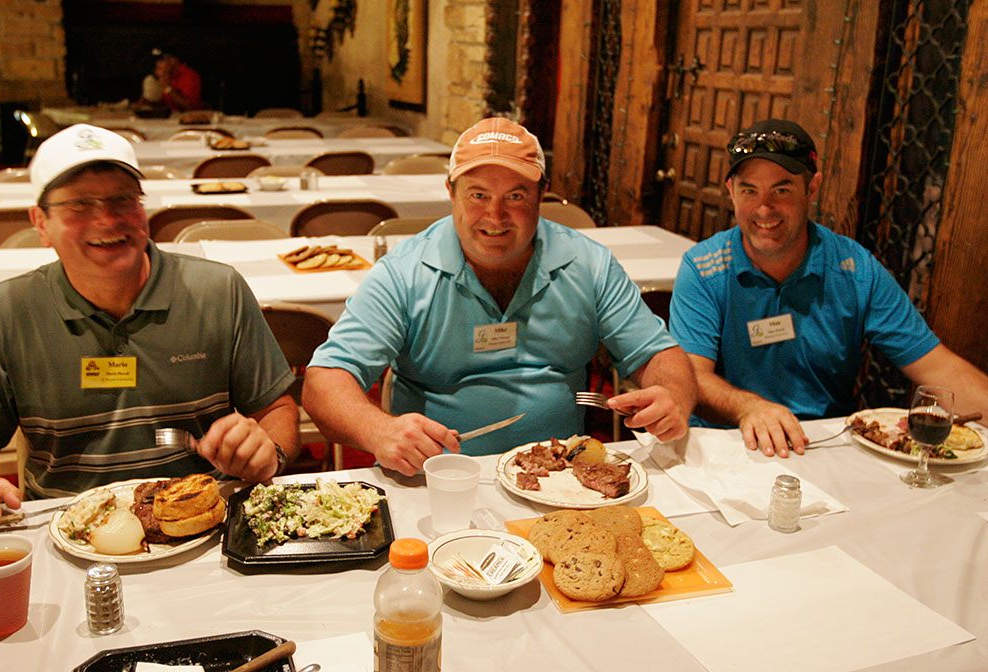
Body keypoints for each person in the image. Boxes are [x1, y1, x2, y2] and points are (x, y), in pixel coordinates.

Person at [0, 124, 298, 541]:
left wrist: (268, 451)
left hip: (205, 524)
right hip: (65, 530)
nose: (106, 220)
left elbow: (276, 411)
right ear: (40, 223)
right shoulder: (9, 311)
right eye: (79, 206)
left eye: (122, 200)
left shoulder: (217, 291)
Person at [302, 117, 697, 476]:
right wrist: (379, 430)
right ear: (450, 193)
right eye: (477, 195)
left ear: (542, 195)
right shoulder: (403, 272)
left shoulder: (589, 264)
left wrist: (673, 396)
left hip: (563, 477)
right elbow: (324, 382)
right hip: (436, 477)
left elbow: (659, 355)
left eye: (516, 196)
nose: (495, 215)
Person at [669, 118, 988, 458]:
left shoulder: (854, 268)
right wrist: (750, 408)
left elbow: (937, 367)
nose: (764, 208)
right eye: (750, 191)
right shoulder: (703, 267)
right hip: (727, 446)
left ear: (813, 187)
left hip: (823, 446)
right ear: (731, 190)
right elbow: (691, 376)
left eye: (782, 190)